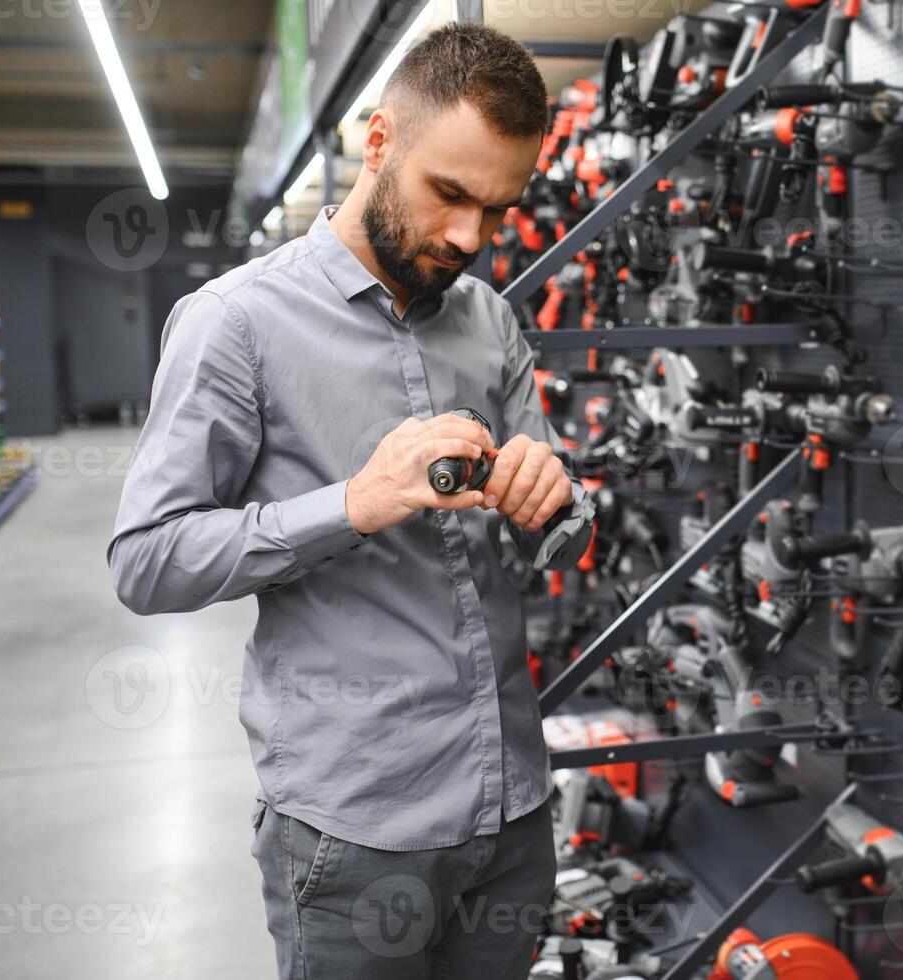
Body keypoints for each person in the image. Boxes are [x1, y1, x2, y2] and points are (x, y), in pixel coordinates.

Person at [107, 23, 589, 978]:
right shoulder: (235, 324)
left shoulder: (487, 318)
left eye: (496, 209)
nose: (468, 236)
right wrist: (354, 504)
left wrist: (556, 499)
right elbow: (146, 561)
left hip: (513, 809)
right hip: (359, 830)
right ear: (378, 144)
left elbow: (555, 534)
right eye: (448, 194)